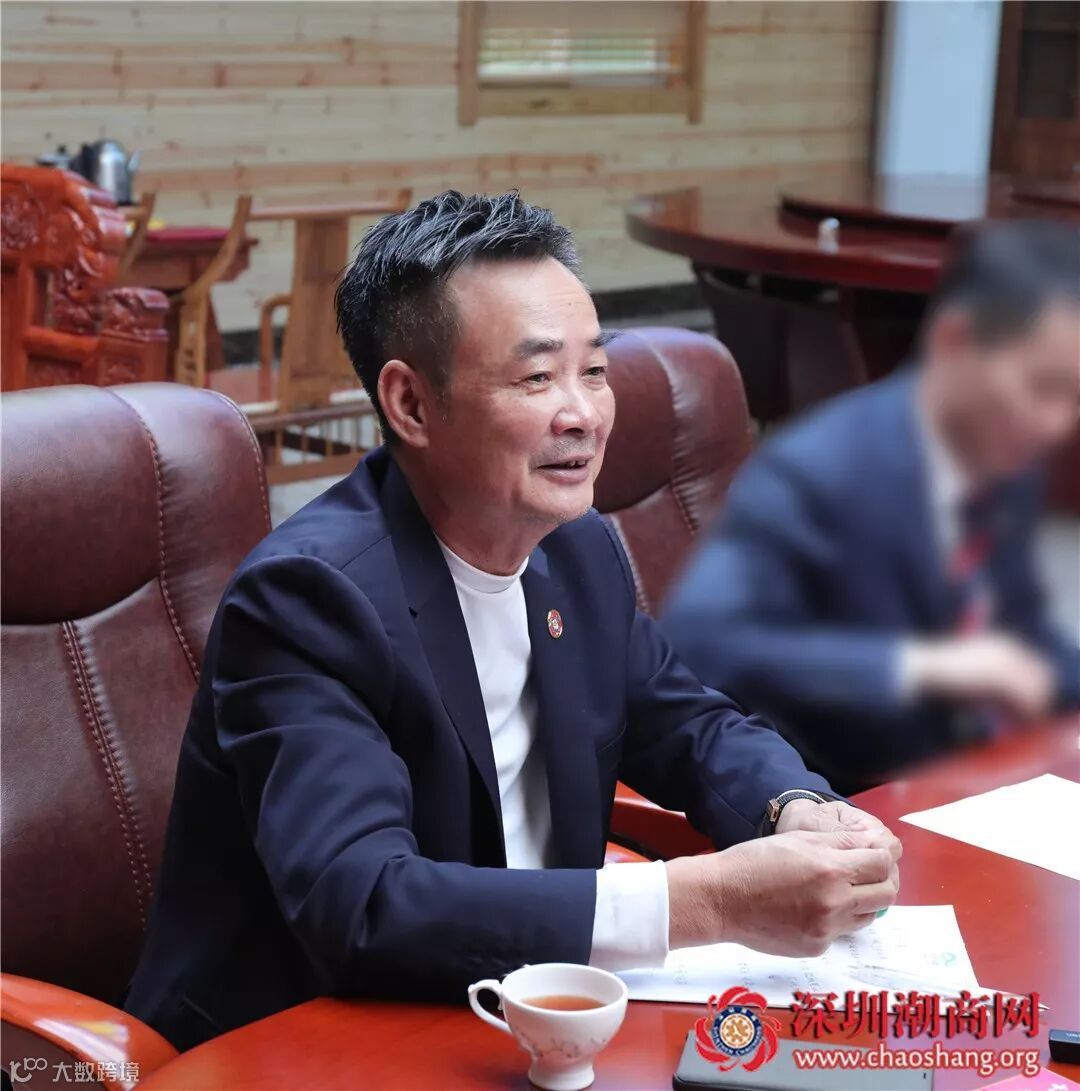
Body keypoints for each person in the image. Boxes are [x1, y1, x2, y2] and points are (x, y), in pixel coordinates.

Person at [124, 191, 899, 1049]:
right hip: (305, 1039)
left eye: (593, 371)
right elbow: (363, 903)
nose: (584, 414)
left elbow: (687, 722)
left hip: (528, 1009)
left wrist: (795, 808)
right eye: (537, 377)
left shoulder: (576, 548)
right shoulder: (309, 599)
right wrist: (707, 901)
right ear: (411, 405)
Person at [663, 219, 1080, 794]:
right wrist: (923, 666)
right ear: (954, 342)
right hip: (847, 797)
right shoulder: (818, 470)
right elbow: (703, 643)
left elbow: (1019, 631)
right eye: (1043, 387)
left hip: (986, 777)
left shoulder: (1005, 452)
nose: (1058, 424)